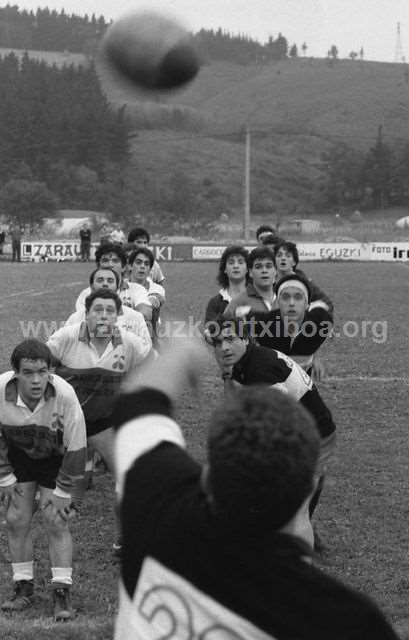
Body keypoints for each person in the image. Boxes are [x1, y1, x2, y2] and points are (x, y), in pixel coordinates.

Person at [112, 338, 400, 640]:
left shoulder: (155, 500)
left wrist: (184, 350)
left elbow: (138, 401)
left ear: (208, 476)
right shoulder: (349, 622)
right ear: (305, 493)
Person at [0, 340, 87, 621]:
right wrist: (4, 477)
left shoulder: (65, 393)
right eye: (28, 372)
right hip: (19, 454)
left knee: (56, 520)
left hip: (56, 457)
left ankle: (61, 591)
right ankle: (23, 587)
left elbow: (77, 444)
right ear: (15, 374)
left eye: (42, 371)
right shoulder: (0, 391)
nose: (36, 380)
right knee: (15, 518)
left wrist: (64, 491)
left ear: (50, 371)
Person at [47, 289, 150, 474]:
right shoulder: (66, 337)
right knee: (63, 473)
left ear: (117, 316)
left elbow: (153, 368)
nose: (104, 316)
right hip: (64, 419)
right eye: (98, 310)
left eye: (110, 311)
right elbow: (39, 366)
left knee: (126, 469)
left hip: (102, 420)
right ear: (86, 315)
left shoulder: (130, 343)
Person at [254, 274, 333, 377]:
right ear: (278, 303)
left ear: (307, 304)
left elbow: (323, 310)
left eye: (298, 297)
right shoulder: (262, 323)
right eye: (285, 297)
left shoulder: (319, 320)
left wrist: (316, 356)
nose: (291, 303)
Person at [66, 266, 151, 351]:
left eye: (110, 281)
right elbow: (62, 348)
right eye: (100, 280)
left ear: (117, 287)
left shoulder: (135, 317)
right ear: (91, 286)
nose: (105, 284)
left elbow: (147, 351)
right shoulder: (76, 318)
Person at [74, 243, 152, 323]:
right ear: (98, 266)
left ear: (124, 267)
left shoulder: (136, 289)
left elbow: (146, 313)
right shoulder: (87, 294)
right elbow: (82, 320)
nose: (110, 265)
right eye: (105, 260)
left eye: (115, 261)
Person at [273, 240, 334, 313]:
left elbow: (327, 304)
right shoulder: (267, 281)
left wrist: (310, 312)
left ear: (294, 262)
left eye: (288, 256)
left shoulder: (304, 282)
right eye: (279, 255)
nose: (283, 258)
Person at [223, 246, 277, 320]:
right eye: (258, 267)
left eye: (268, 266)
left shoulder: (284, 298)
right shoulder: (238, 302)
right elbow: (220, 328)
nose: (264, 270)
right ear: (250, 272)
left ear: (275, 270)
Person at [128, 247, 165, 344]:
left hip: (149, 336)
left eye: (146, 264)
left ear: (150, 269)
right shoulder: (121, 286)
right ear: (130, 266)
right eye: (138, 262)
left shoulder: (156, 288)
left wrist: (152, 301)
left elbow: (155, 300)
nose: (142, 266)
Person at [204, 245, 249, 325]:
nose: (236, 266)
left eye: (240, 262)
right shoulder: (215, 303)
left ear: (247, 269)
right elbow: (210, 333)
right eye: (231, 263)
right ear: (225, 269)